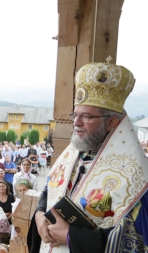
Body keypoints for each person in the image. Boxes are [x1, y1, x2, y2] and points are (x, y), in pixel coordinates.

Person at [29, 61, 148, 253]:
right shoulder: (73, 154)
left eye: (87, 117)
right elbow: (49, 191)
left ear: (111, 122)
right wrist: (40, 215)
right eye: (75, 115)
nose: (76, 123)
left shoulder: (137, 176)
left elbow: (136, 241)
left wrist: (72, 237)